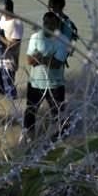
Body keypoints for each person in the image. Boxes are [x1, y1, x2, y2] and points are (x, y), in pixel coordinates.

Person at [23, 11, 69, 142]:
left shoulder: (63, 40)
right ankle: (29, 140)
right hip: (35, 83)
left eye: (52, 23)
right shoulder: (35, 37)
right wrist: (48, 58)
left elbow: (57, 64)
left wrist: (40, 58)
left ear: (58, 25)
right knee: (30, 113)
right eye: (46, 23)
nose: (48, 26)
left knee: (59, 116)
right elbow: (29, 60)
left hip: (55, 85)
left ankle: (60, 143)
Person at [0, 0, 23, 99]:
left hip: (9, 63)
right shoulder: (1, 19)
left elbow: (14, 45)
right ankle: (4, 109)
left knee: (10, 92)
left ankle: (14, 111)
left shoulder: (16, 23)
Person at [48, 0, 79, 66]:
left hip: (57, 61)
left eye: (51, 7)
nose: (49, 9)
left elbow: (69, 48)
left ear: (58, 6)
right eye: (48, 7)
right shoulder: (51, 20)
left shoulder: (67, 24)